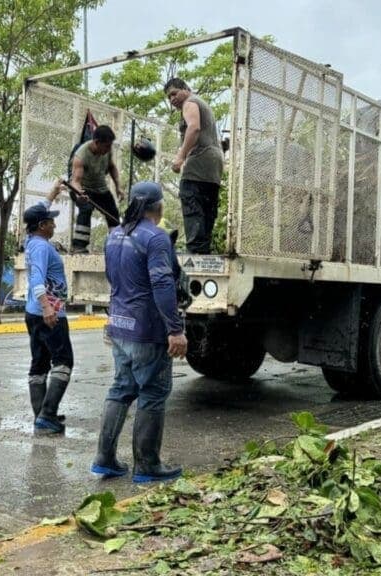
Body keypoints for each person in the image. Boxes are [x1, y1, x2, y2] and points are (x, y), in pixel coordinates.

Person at [91, 181, 188, 483]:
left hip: (119, 325)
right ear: (157, 207)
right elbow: (162, 284)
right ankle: (147, 465)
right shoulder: (156, 238)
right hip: (148, 330)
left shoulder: (113, 236)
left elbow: (112, 278)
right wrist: (175, 329)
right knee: (154, 393)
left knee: (121, 389)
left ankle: (104, 460)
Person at [23, 181, 74, 434]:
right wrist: (47, 308)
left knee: (39, 363)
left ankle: (41, 415)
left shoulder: (31, 240)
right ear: (42, 226)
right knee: (64, 361)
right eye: (51, 221)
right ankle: (48, 414)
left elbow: (40, 208)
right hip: (49, 313)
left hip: (32, 313)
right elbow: (36, 279)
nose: (55, 224)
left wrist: (54, 192)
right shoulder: (43, 248)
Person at [164, 77, 224, 254]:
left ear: (185, 89)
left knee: (191, 198)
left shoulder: (189, 103)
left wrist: (180, 157)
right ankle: (203, 251)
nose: (172, 99)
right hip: (214, 166)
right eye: (169, 98)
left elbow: (194, 128)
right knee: (207, 210)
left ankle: (196, 253)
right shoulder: (202, 104)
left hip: (199, 162)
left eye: (174, 94)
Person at [69, 125, 123, 254]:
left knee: (113, 213)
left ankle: (117, 245)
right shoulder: (81, 155)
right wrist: (80, 193)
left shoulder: (107, 150)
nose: (109, 149)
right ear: (97, 142)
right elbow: (75, 181)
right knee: (85, 208)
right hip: (82, 188)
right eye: (106, 146)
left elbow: (112, 168)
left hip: (100, 188)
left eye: (110, 145)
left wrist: (118, 187)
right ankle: (79, 246)